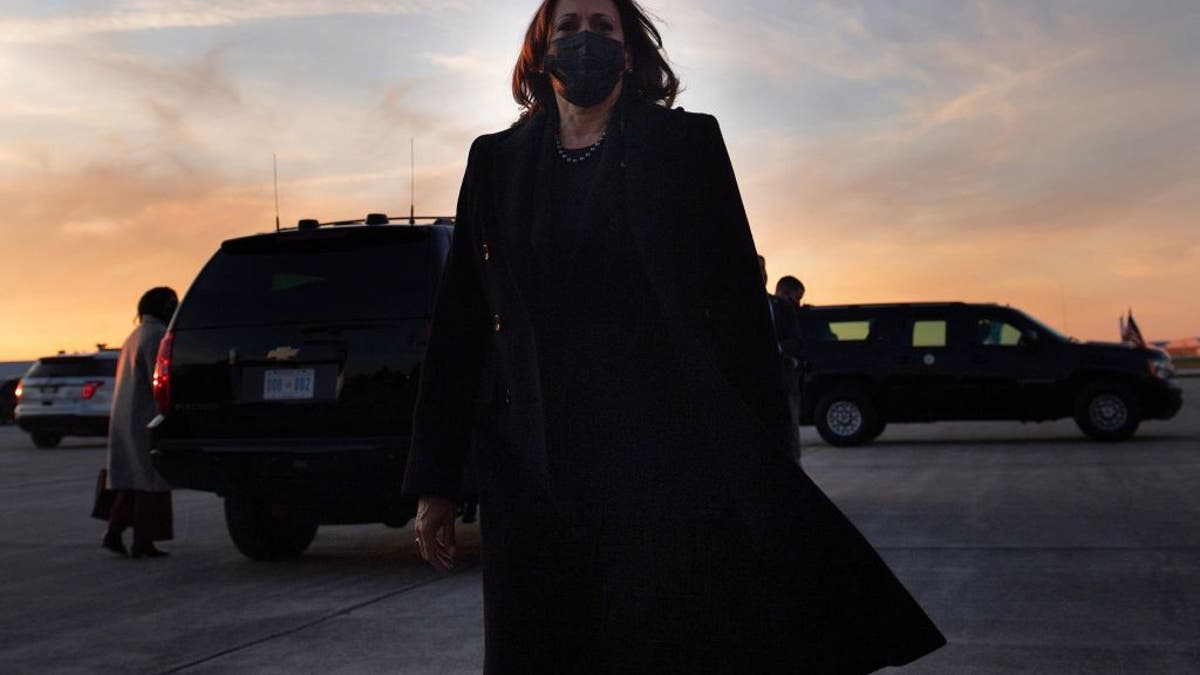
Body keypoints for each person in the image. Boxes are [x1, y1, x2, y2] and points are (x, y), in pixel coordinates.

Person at [404, 1, 946, 672]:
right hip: (533, 473)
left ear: (630, 54)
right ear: (540, 50)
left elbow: (739, 321)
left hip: (663, 467)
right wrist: (436, 479)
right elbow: (461, 328)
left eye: (602, 27)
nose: (584, 39)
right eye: (567, 26)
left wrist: (772, 461)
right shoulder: (496, 161)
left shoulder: (686, 148)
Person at [102, 287, 177, 559]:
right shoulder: (157, 335)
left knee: (132, 480)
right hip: (145, 417)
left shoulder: (134, 335)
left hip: (126, 417)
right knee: (149, 480)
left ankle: (115, 532)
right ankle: (142, 541)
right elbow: (158, 378)